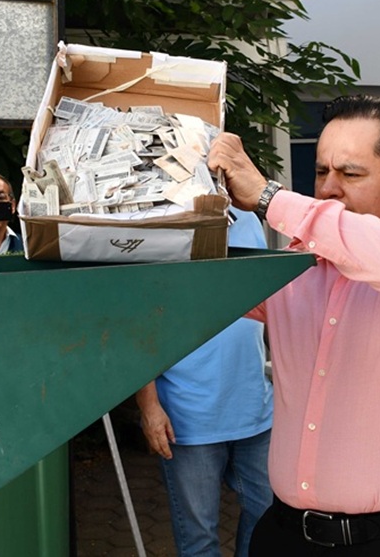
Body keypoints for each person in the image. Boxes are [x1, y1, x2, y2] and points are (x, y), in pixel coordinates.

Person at [206, 94, 380, 556]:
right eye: (321, 172)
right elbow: (196, 286)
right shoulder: (295, 269)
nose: (328, 190)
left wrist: (269, 197)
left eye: (351, 173)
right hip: (281, 535)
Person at [135, 209, 273, 557]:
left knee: (270, 518)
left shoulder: (249, 221)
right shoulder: (161, 223)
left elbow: (268, 299)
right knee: (199, 539)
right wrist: (149, 406)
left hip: (255, 406)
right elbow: (139, 323)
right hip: (188, 415)